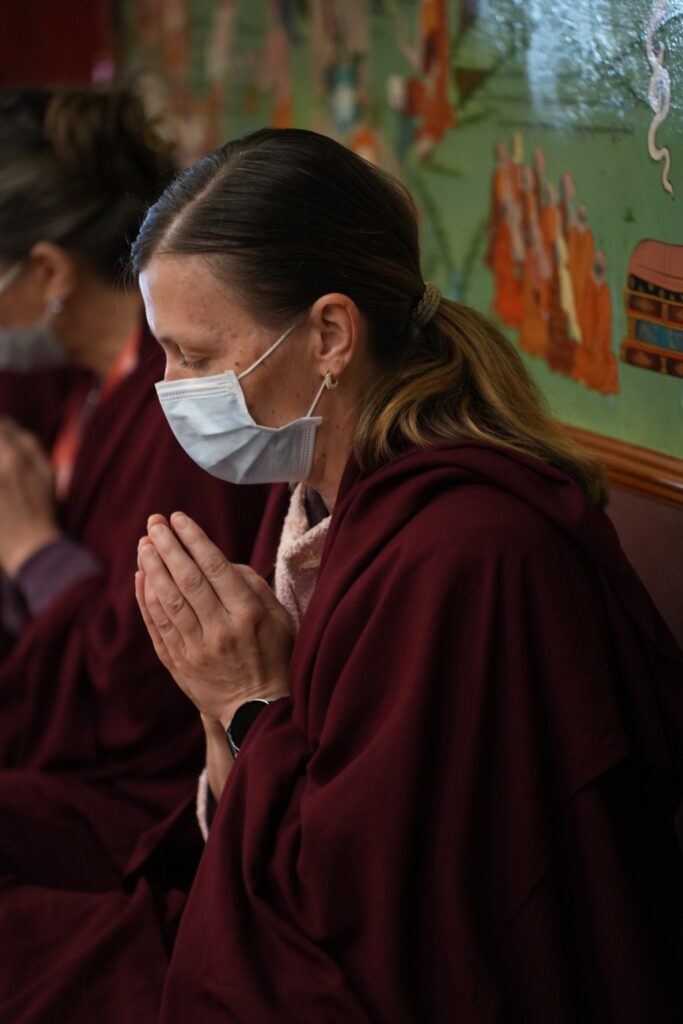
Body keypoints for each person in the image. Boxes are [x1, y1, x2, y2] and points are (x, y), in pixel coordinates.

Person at [0, 126, 681, 1023]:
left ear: (329, 334)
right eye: (162, 353)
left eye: (196, 356)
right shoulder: (312, 496)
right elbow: (263, 809)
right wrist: (220, 709)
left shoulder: (470, 557)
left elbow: (390, 924)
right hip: (264, 910)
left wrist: (245, 703)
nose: (171, 388)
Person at [0, 86, 269, 871]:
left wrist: (31, 551)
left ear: (48, 271)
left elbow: (141, 687)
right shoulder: (77, 382)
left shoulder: (188, 417)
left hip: (150, 798)